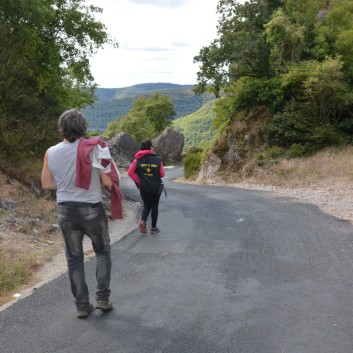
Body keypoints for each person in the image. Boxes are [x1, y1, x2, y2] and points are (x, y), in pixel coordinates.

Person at [41, 108, 118, 318]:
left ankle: (82, 306)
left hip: (66, 210)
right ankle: (102, 298)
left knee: (74, 259)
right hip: (92, 209)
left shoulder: (51, 152)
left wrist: (67, 186)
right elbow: (108, 181)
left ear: (61, 129)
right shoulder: (93, 149)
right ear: (82, 128)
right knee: (102, 252)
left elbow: (46, 183)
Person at [128, 139, 165, 235]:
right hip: (156, 186)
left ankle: (143, 221)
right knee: (155, 206)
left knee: (147, 205)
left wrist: (140, 181)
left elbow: (130, 172)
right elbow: (162, 174)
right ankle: (153, 228)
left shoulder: (137, 159)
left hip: (144, 187)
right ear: (150, 148)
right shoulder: (157, 159)